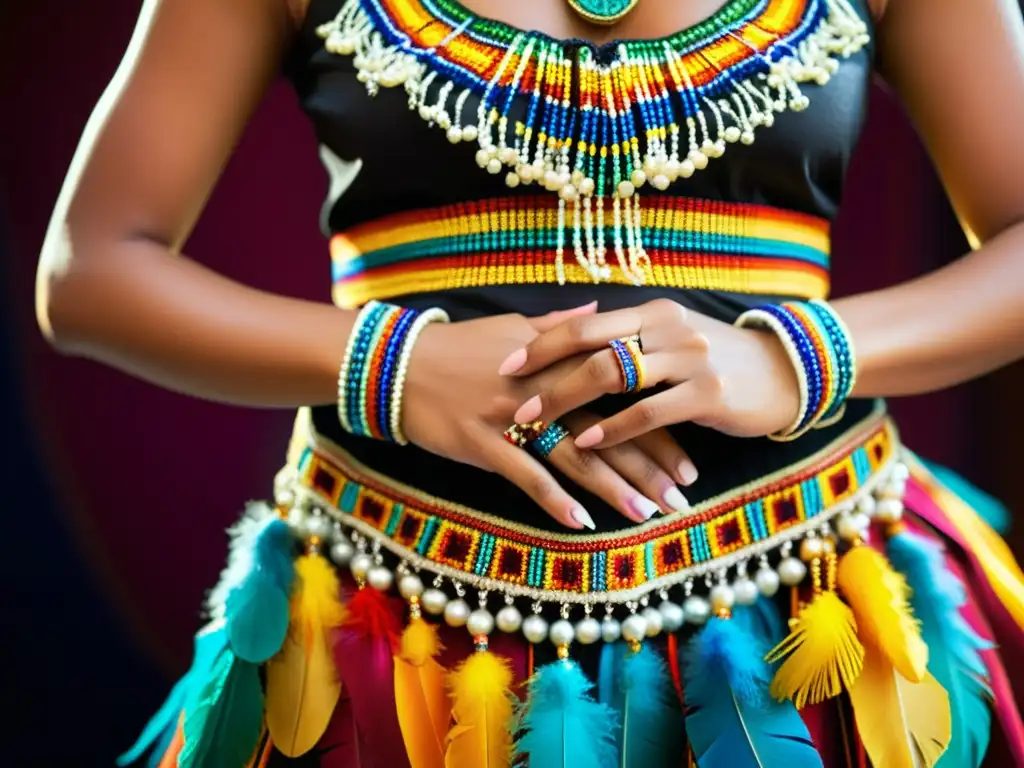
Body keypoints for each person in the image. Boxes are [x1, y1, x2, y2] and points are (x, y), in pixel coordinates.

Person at [36, 0, 1024, 764]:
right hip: (400, 622)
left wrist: (792, 358)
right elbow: (94, 266)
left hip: (813, 613)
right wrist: (391, 364)